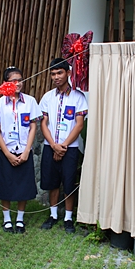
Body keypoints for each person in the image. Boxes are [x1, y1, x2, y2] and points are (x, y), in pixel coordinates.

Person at [0, 67, 42, 233]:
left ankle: (19, 219)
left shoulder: (30, 101)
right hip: (7, 151)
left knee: (23, 186)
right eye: (13, 81)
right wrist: (7, 153)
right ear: (6, 83)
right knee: (6, 185)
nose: (17, 84)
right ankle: (6, 219)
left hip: (24, 150)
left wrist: (26, 151)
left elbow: (33, 126)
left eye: (20, 80)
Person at [39, 58, 88, 233]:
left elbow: (79, 124)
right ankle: (53, 215)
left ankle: (68, 218)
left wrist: (63, 146)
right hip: (49, 146)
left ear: (68, 73)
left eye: (59, 73)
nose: (56, 77)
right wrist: (54, 145)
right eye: (53, 74)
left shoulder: (78, 97)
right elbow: (43, 123)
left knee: (68, 183)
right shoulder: (47, 97)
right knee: (52, 182)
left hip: (70, 148)